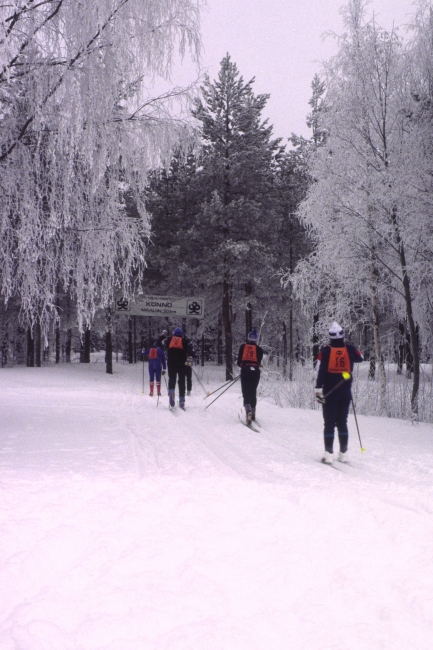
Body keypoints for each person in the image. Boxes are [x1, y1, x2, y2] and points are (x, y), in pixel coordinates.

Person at [315, 321, 363, 464]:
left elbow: (320, 371)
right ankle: (343, 454)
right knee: (342, 422)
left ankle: (328, 454)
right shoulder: (350, 349)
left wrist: (318, 389)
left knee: (329, 423)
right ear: (342, 335)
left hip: (330, 391)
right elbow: (360, 358)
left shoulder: (325, 351)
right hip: (345, 391)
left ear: (330, 337)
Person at [237, 329, 264, 425]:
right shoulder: (259, 349)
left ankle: (248, 411)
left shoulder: (243, 347)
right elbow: (258, 361)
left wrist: (244, 366)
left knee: (246, 392)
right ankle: (253, 414)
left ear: (248, 338)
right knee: (253, 392)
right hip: (255, 373)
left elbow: (239, 362)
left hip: (245, 371)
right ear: (256, 339)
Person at [165, 327, 189, 409]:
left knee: (172, 378)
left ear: (174, 334)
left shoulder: (169, 340)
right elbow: (190, 351)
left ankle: (171, 392)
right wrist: (191, 357)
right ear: (181, 335)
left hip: (171, 362)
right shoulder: (184, 341)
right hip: (181, 363)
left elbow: (164, 346)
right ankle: (182, 401)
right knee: (181, 381)